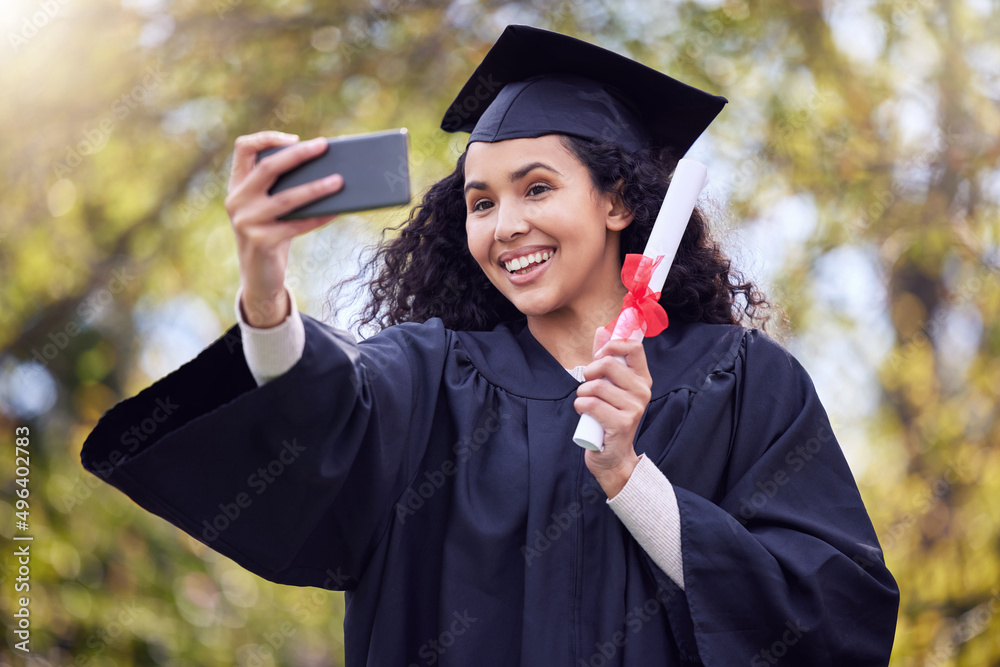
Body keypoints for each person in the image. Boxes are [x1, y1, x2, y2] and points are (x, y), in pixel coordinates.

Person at [81, 24, 899, 666]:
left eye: (537, 188)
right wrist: (264, 285)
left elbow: (831, 619)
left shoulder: (745, 382)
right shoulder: (434, 379)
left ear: (618, 200)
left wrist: (630, 477)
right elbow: (326, 412)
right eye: (480, 202)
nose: (506, 226)